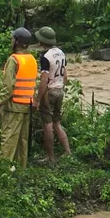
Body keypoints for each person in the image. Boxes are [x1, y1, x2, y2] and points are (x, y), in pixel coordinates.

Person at [0, 27, 38, 168]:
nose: (11, 41)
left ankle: (3, 173)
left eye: (13, 39)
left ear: (18, 42)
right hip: (27, 106)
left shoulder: (13, 60)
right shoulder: (32, 59)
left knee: (8, 140)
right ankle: (21, 172)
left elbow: (8, 86)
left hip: (14, 106)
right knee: (22, 142)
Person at [35, 26, 72, 163]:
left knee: (48, 126)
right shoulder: (61, 53)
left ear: (42, 41)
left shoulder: (45, 56)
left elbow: (44, 79)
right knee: (57, 123)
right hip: (60, 90)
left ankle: (51, 157)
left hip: (49, 92)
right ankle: (68, 152)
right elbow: (65, 75)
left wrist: (38, 99)